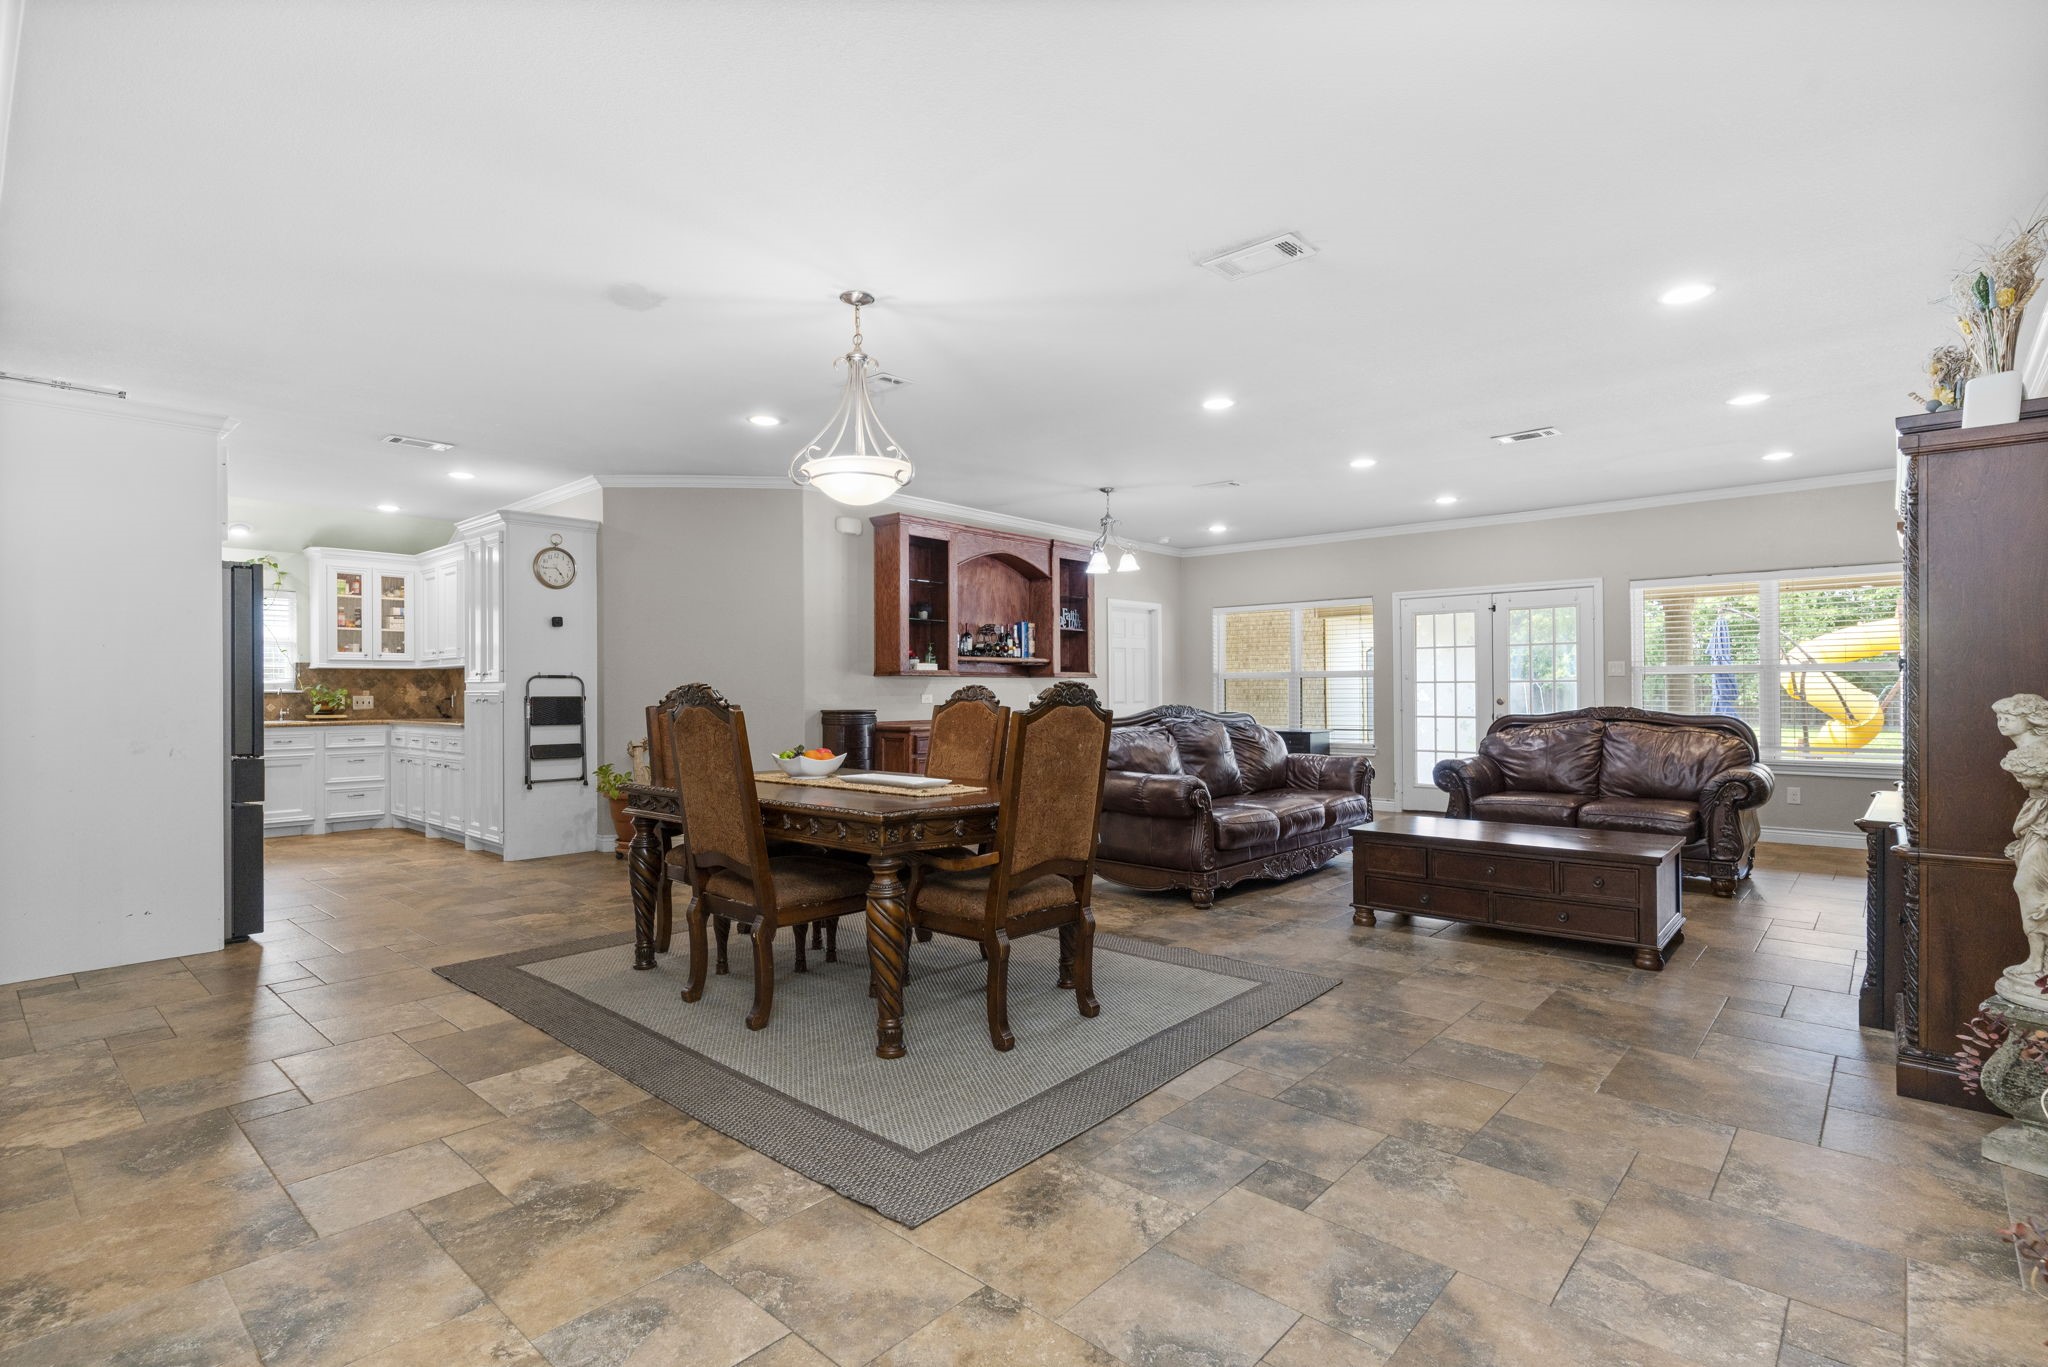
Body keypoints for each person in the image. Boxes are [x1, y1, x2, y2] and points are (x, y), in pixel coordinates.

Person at [1994, 693, 2048, 1007]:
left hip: (2043, 825)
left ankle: (2038, 961)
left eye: (2008, 717)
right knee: (2028, 886)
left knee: (2028, 884)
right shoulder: (2024, 752)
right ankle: (2037, 960)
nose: (2001, 723)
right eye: (1999, 717)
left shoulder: (2040, 752)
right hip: (2036, 822)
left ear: (2029, 720)